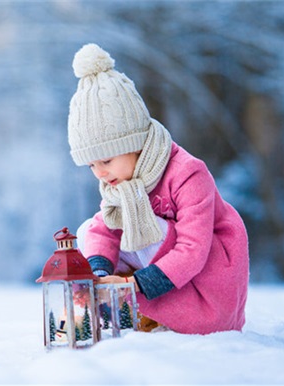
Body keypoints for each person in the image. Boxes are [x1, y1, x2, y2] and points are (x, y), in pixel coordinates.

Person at [67, 43, 249, 334]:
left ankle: (138, 299)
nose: (100, 172)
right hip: (161, 280)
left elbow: (193, 250)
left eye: (106, 160)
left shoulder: (188, 173)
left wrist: (132, 285)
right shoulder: (120, 183)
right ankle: (125, 304)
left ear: (133, 145)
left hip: (207, 289)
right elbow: (105, 229)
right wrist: (100, 273)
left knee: (143, 225)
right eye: (91, 166)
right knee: (92, 228)